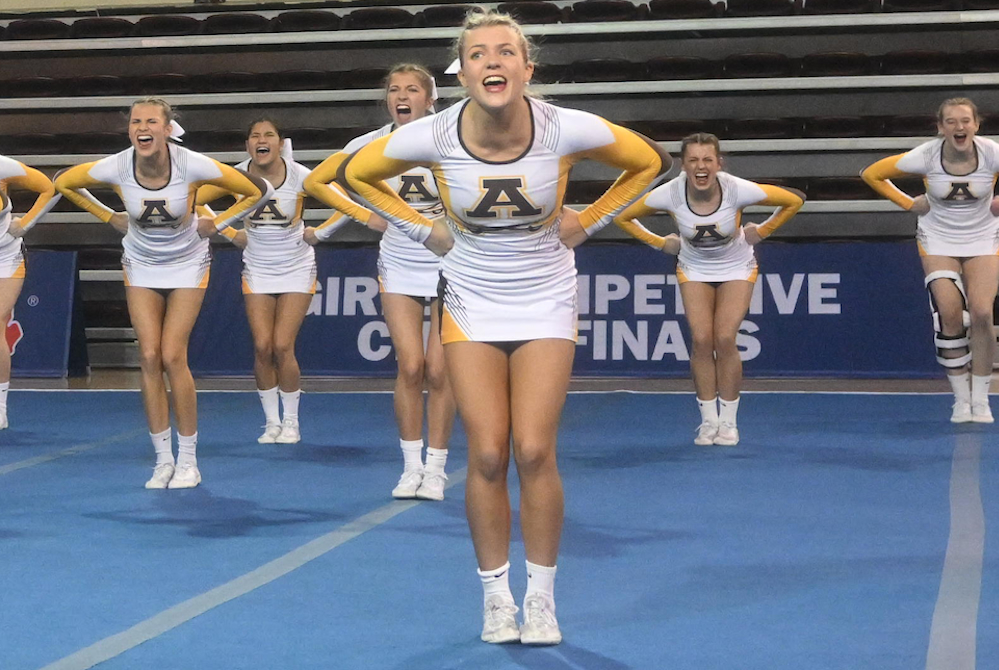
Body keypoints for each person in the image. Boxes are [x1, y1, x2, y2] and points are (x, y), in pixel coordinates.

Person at [344, 11, 670, 646]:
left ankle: (541, 598)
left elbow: (647, 163)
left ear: (527, 67)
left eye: (505, 52)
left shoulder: (564, 126)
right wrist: (424, 230)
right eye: (477, 54)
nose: (491, 62)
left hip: (546, 293)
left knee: (534, 449)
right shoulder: (433, 134)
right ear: (461, 72)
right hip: (470, 295)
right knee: (488, 452)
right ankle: (496, 596)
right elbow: (356, 176)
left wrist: (590, 220)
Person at [55, 97, 268, 489]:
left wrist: (217, 224)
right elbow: (64, 182)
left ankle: (189, 460)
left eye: (151, 121)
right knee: (149, 356)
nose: (142, 127)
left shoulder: (192, 164)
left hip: (188, 262)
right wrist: (108, 215)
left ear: (167, 129)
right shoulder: (118, 165)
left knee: (173, 354)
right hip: (141, 263)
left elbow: (259, 191)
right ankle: (162, 459)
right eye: (136, 121)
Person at [304, 64, 456, 501]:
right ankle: (411, 466)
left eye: (412, 89)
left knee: (440, 369)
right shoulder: (368, 146)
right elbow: (317, 181)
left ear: (430, 99)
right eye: (394, 90)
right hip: (399, 264)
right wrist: (366, 215)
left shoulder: (449, 138)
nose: (401, 96)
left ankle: (437, 468)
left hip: (450, 262)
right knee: (410, 366)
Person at [615, 133, 804, 446]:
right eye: (693, 160)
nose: (700, 166)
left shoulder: (737, 189)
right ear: (683, 165)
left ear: (719, 163)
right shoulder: (670, 194)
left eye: (707, 160)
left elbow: (793, 199)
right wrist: (662, 243)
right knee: (702, 339)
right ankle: (708, 422)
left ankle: (729, 423)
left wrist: (763, 231)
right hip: (694, 268)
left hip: (737, 266)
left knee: (725, 337)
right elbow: (624, 216)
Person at [862, 97, 999, 423]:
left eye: (965, 120)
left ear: (976, 125)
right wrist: (909, 204)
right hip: (937, 239)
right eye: (951, 121)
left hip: (983, 238)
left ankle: (981, 399)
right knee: (950, 314)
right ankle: (960, 399)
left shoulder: (991, 153)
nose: (959, 127)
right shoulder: (925, 155)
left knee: (981, 312)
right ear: (940, 128)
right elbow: (872, 174)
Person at [197, 118, 314, 445]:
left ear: (280, 143)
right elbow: (193, 197)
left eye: (269, 135)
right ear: (248, 144)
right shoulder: (236, 176)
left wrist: (321, 231)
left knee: (282, 344)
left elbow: (345, 203)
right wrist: (230, 231)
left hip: (296, 265)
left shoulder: (301, 175)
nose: (261, 141)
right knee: (262, 346)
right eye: (254, 136)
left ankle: (292, 421)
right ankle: (271, 422)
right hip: (257, 267)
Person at [0, 157, 59, 430]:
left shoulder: (3, 166)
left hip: (5, 257)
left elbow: (48, 187)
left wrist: (25, 225)